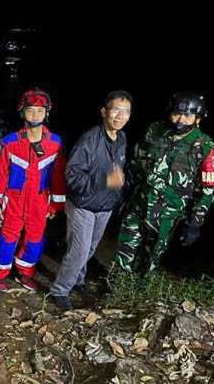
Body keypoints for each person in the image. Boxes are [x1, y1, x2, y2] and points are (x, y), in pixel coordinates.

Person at [113, 92, 214, 274]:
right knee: (124, 253)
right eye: (176, 114)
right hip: (138, 204)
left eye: (187, 116)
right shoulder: (155, 130)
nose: (180, 120)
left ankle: (137, 295)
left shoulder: (207, 148)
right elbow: (137, 162)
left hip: (166, 215)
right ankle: (115, 287)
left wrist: (195, 223)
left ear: (198, 118)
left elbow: (207, 192)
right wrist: (124, 192)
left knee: (149, 261)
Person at [49, 91, 133, 310]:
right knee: (78, 249)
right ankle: (60, 290)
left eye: (126, 112)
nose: (120, 116)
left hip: (105, 205)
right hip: (83, 204)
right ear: (104, 112)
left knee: (90, 249)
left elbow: (120, 171)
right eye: (115, 110)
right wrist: (105, 180)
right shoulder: (89, 140)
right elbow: (72, 176)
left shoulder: (122, 138)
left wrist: (120, 192)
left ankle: (77, 279)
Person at [0, 87, 67, 292]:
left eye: (41, 110)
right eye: (30, 110)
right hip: (13, 200)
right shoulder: (10, 143)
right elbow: (0, 175)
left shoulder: (55, 143)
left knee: (35, 239)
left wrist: (56, 204)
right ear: (22, 112)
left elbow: (58, 176)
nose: (35, 115)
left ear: (47, 113)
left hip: (40, 201)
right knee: (7, 237)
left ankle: (24, 273)